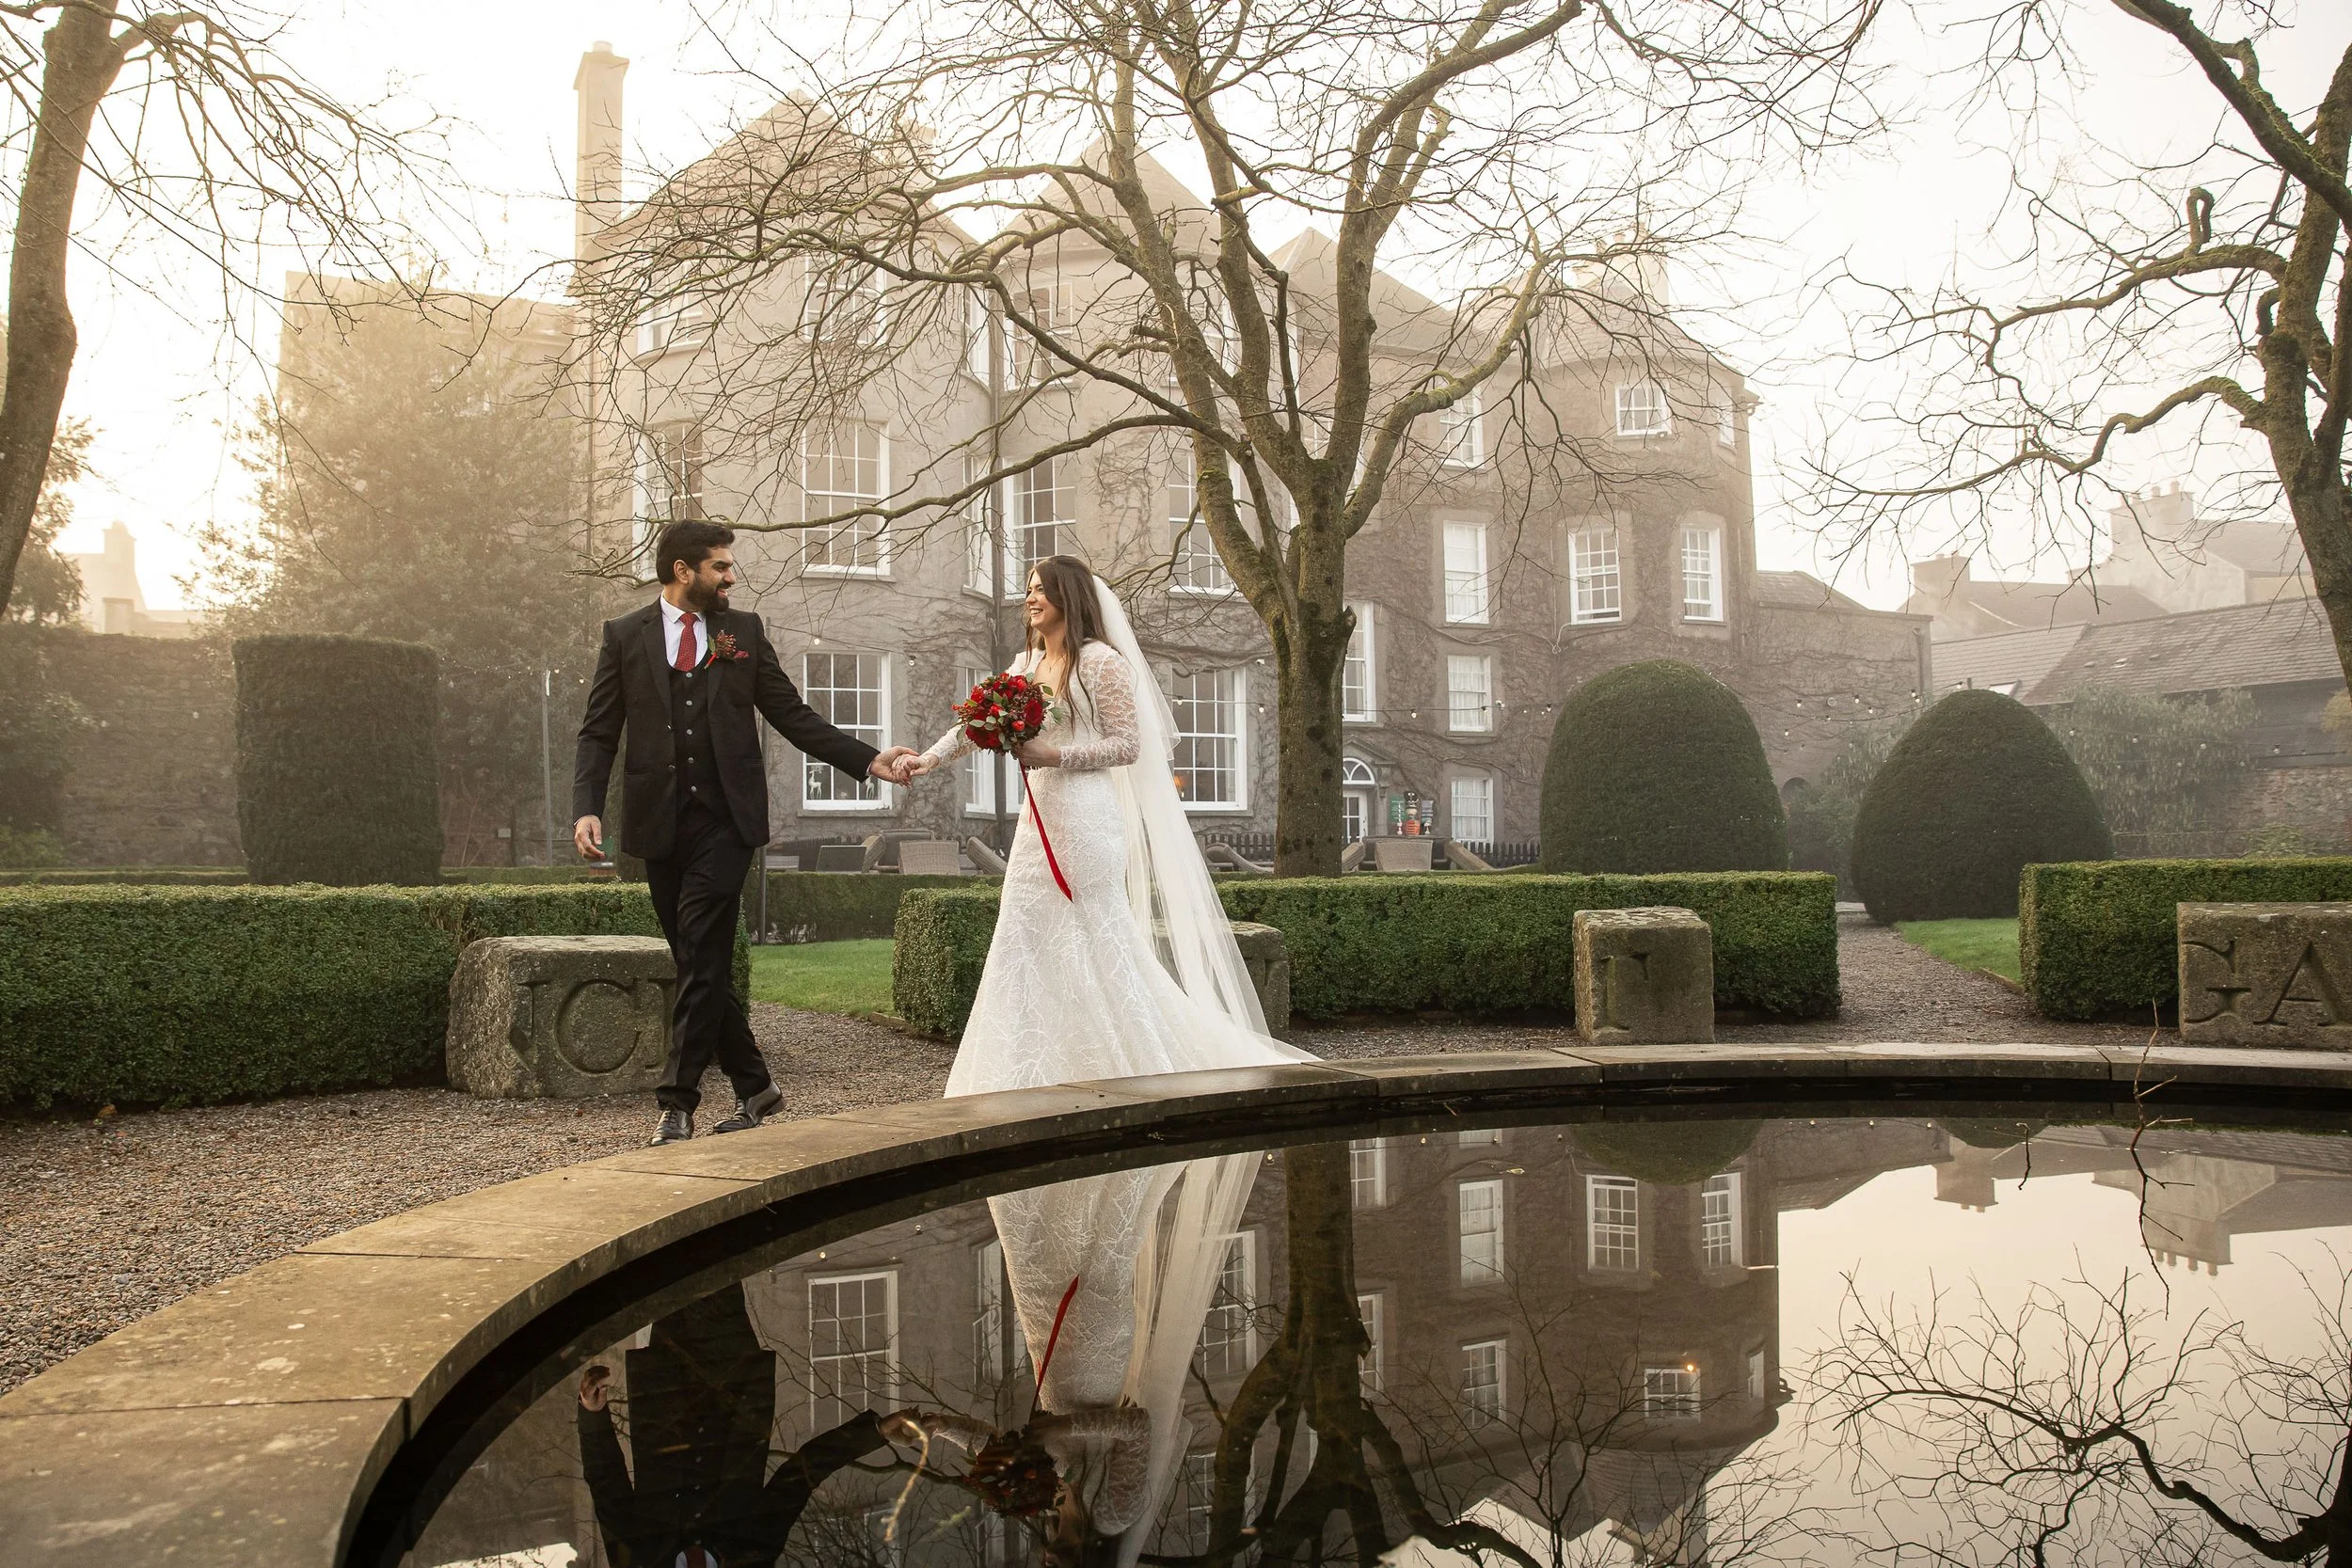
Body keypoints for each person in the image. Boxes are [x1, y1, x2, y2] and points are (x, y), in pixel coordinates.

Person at [906, 555, 1312, 1563]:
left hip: (1083, 823)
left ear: (1070, 597)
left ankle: (1118, 1052)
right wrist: (926, 756)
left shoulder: (1097, 660)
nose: (1028, 601)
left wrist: (1038, 1442)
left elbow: (1131, 745)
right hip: (1040, 819)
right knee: (1025, 942)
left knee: (1089, 942)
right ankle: (1028, 1066)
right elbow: (983, 721)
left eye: (1040, 590)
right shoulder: (1027, 660)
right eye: (1027, 592)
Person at [574, 519, 918, 1145]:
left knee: (701, 949)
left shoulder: (744, 632)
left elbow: (792, 714)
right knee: (697, 959)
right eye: (721, 566)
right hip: (658, 823)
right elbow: (599, 731)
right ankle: (756, 1085)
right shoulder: (624, 636)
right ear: (683, 571)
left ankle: (677, 1104)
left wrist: (870, 760)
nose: (732, 576)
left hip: (727, 822)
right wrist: (586, 806)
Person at [575, 1280, 898, 1565]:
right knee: (715, 1263)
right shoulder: (753, 1557)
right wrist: (873, 1433)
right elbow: (799, 1477)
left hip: (669, 1383)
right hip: (734, 1376)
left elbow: (607, 1485)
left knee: (676, 1269)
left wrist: (592, 1414)